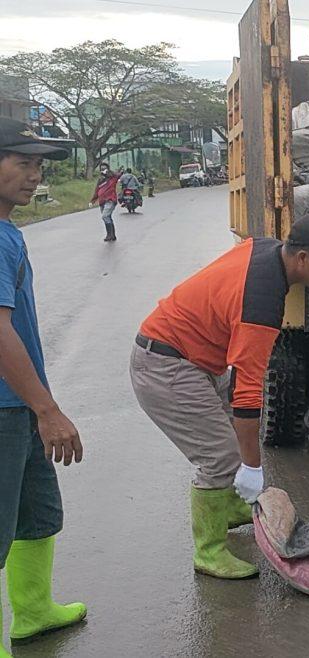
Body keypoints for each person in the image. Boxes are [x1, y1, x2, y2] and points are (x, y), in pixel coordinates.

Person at [129, 213, 309, 579]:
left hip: (192, 357)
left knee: (230, 438)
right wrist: (253, 468)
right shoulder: (263, 302)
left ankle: (231, 506)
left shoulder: (267, 248)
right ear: (303, 259)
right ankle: (209, 552)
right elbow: (248, 392)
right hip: (166, 365)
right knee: (220, 455)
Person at [0, 118, 87, 657]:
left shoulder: (10, 231)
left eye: (38, 166)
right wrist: (46, 408)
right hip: (6, 406)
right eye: (22, 162)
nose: (34, 175)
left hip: (18, 405)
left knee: (36, 513)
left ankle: (32, 611)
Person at [89, 163, 119, 242]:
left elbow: (118, 175)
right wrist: (92, 201)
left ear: (108, 169)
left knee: (105, 216)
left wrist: (109, 173)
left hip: (110, 200)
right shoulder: (100, 180)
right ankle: (112, 235)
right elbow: (97, 191)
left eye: (104, 168)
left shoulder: (112, 178)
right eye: (101, 169)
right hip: (102, 201)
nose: (103, 170)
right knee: (107, 218)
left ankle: (109, 235)